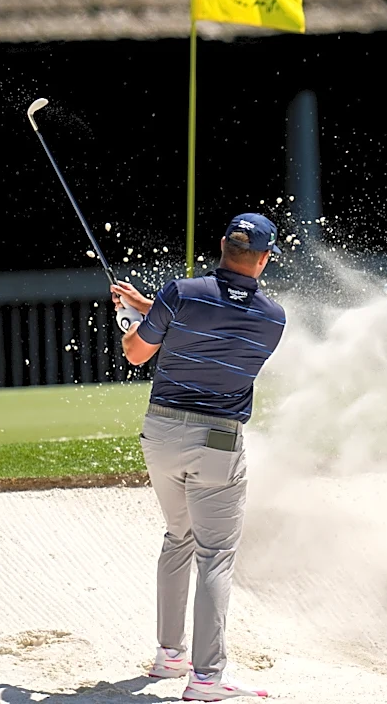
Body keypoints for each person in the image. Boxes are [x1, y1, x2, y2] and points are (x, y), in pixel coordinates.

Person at [110, 213, 286, 701]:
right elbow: (218, 327)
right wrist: (152, 309)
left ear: (223, 246)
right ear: (265, 258)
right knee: (215, 555)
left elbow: (136, 353)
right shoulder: (273, 318)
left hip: (162, 431)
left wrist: (136, 319)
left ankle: (170, 656)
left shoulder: (181, 293)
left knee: (178, 537)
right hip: (218, 440)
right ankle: (206, 678)